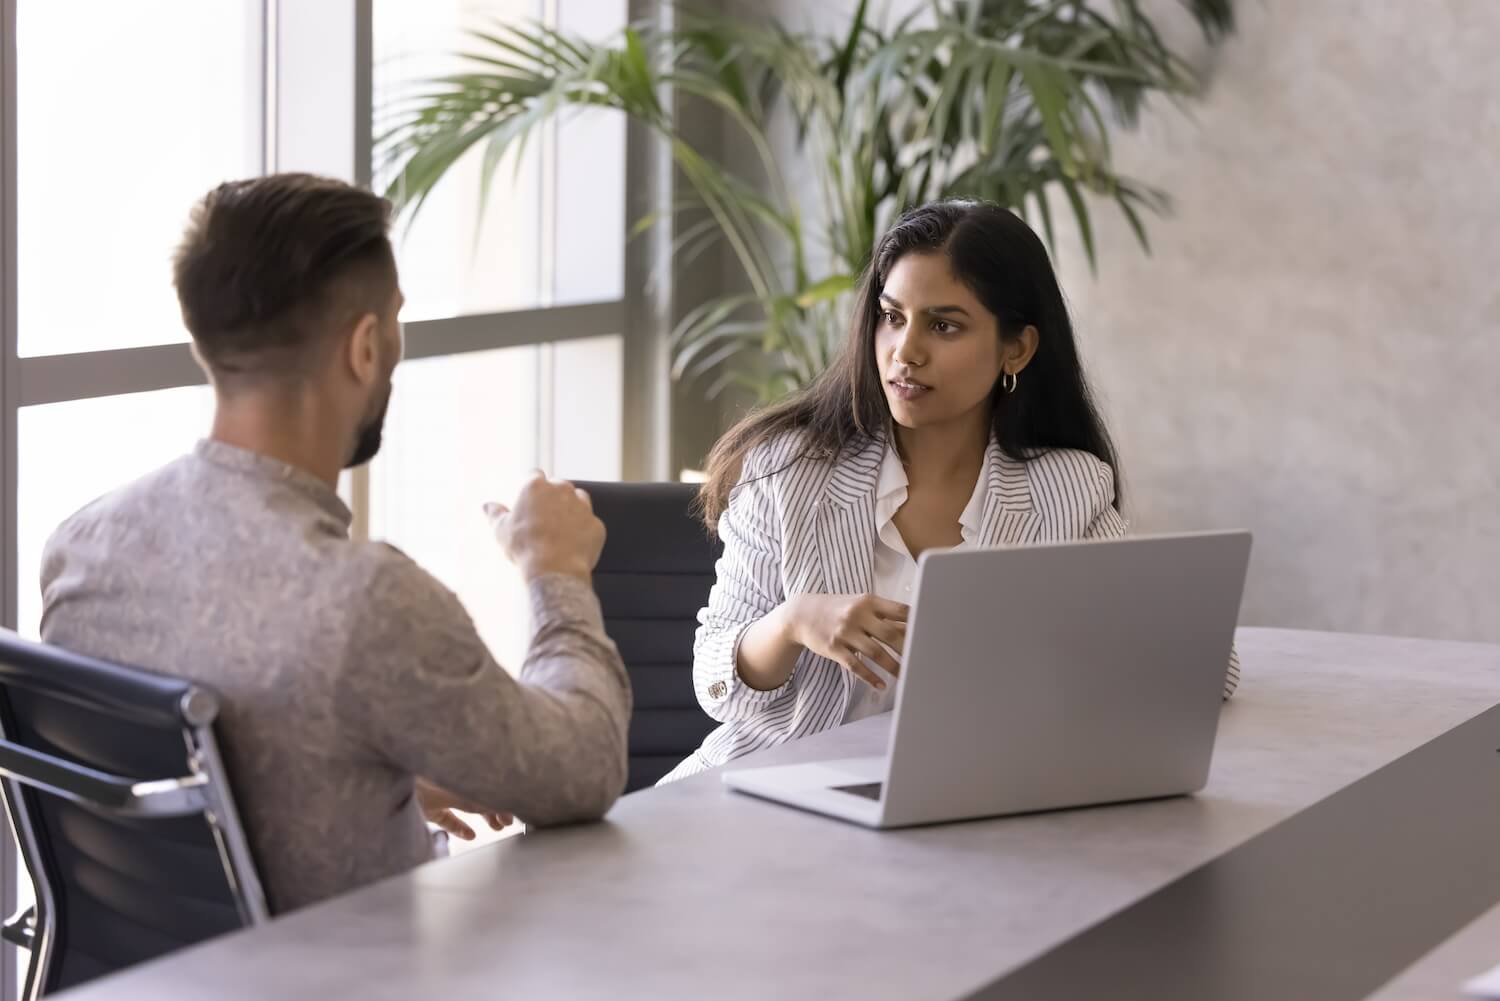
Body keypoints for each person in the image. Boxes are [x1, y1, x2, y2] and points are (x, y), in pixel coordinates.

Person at [39, 173, 631, 913]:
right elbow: (585, 768)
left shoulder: (83, 548)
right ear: (365, 345)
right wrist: (557, 569)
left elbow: (187, 775)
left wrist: (366, 767)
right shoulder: (364, 600)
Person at [662, 199, 1238, 782]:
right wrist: (792, 622)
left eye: (944, 326)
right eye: (892, 317)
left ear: (1017, 348)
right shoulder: (790, 470)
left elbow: (1211, 670)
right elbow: (716, 684)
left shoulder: (1065, 489)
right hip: (762, 789)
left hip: (955, 806)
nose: (905, 352)